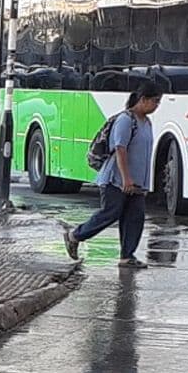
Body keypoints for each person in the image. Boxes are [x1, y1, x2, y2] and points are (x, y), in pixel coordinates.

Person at [64, 81, 160, 268]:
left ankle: (127, 256)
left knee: (135, 217)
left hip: (137, 183)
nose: (156, 105)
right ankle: (75, 236)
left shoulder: (146, 123)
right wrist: (126, 178)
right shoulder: (126, 120)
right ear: (143, 99)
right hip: (116, 180)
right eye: (155, 101)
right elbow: (120, 149)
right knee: (111, 213)